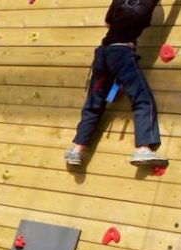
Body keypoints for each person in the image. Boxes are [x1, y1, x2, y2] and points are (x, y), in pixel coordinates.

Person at [64, 0, 168, 167]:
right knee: (143, 100)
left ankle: (76, 151)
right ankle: (143, 149)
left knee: (94, 103)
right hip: (121, 53)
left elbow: (107, 23)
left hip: (103, 54)